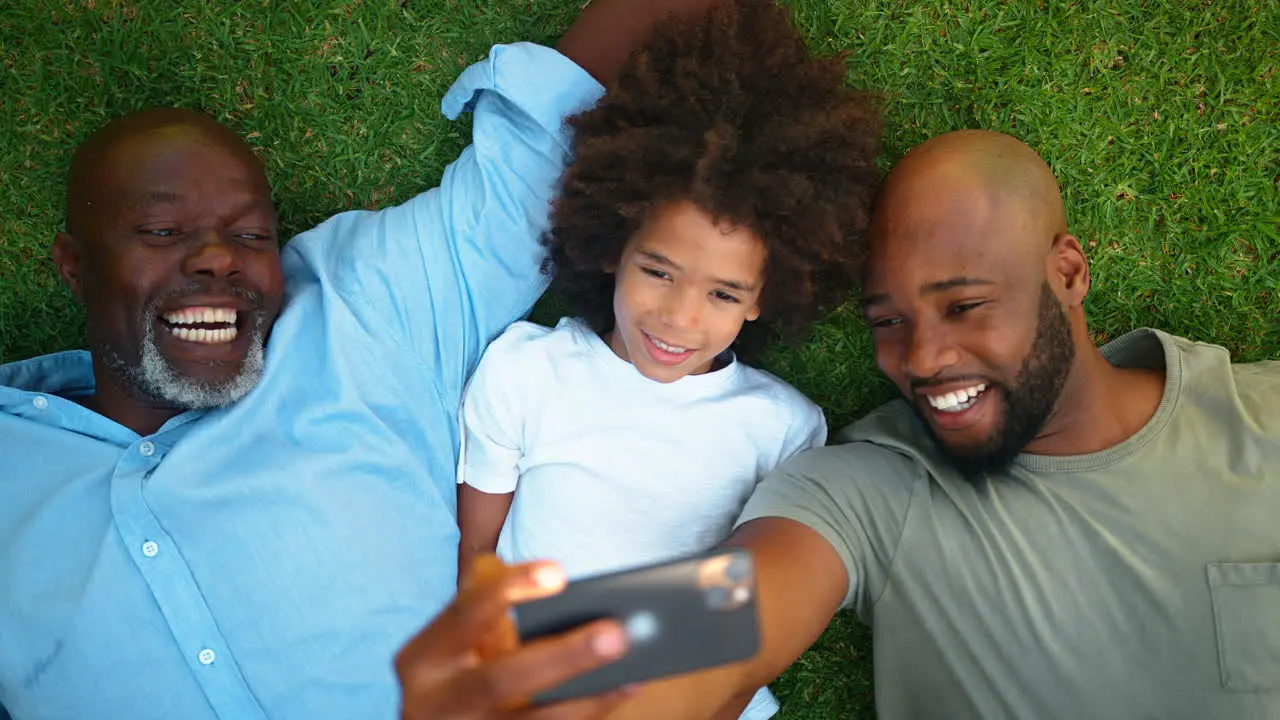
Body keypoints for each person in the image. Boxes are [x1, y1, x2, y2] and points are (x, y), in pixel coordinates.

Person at [395, 129, 1280, 719]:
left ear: (1069, 272)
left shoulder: (1259, 412)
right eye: (887, 322)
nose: (923, 360)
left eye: (965, 303)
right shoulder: (867, 489)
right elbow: (725, 612)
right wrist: (542, 664)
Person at [0, 1, 719, 718]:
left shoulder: (360, 311)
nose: (219, 257)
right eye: (162, 229)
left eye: (251, 235)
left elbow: (533, 164)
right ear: (74, 265)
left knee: (720, 608)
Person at [453, 3, 881, 718]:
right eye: (658, 271)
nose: (679, 318)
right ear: (614, 244)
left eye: (722, 292)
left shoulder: (782, 429)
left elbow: (759, 612)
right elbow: (477, 555)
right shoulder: (527, 372)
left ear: (762, 299)